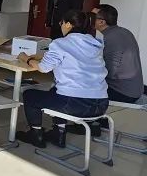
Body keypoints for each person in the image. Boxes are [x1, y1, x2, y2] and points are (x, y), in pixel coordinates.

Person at [16, 10, 109, 148]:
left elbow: (43, 68)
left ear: (68, 25)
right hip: (101, 104)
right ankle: (58, 134)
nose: (61, 25)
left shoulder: (60, 43)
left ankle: (36, 135)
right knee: (56, 90)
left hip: (74, 104)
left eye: (62, 22)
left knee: (30, 95)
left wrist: (26, 58)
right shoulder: (95, 44)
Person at [93, 4, 143, 103]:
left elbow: (108, 71)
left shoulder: (110, 38)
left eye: (92, 16)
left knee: (79, 87)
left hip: (123, 92)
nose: (88, 18)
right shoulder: (124, 32)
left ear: (102, 22)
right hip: (136, 89)